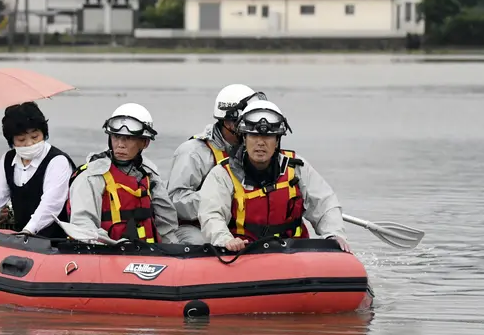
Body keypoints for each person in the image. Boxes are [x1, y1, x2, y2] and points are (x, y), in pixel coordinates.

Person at [197, 100, 351, 252]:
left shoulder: (296, 167)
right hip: (244, 253)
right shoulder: (223, 173)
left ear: (277, 140)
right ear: (244, 138)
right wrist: (225, 239)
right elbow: (211, 214)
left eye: (267, 137)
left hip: (293, 252)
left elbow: (324, 204)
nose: (260, 143)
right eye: (253, 136)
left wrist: (334, 234)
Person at [0, 102, 75, 238]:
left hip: (57, 241)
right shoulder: (8, 160)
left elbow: (50, 206)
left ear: (44, 134)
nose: (29, 144)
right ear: (12, 141)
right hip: (24, 239)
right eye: (21, 139)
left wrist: (27, 231)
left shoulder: (58, 161)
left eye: (35, 137)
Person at [67, 103, 179, 244]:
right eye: (116, 137)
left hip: (149, 255)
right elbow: (83, 226)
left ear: (145, 143)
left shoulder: (150, 176)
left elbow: (167, 227)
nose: (120, 144)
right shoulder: (91, 177)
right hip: (106, 255)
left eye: (129, 138)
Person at [167, 84, 266, 244]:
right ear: (230, 122)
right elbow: (174, 201)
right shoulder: (194, 152)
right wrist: (220, 198)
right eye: (247, 122)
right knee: (202, 243)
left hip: (234, 224)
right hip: (193, 227)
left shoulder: (254, 150)